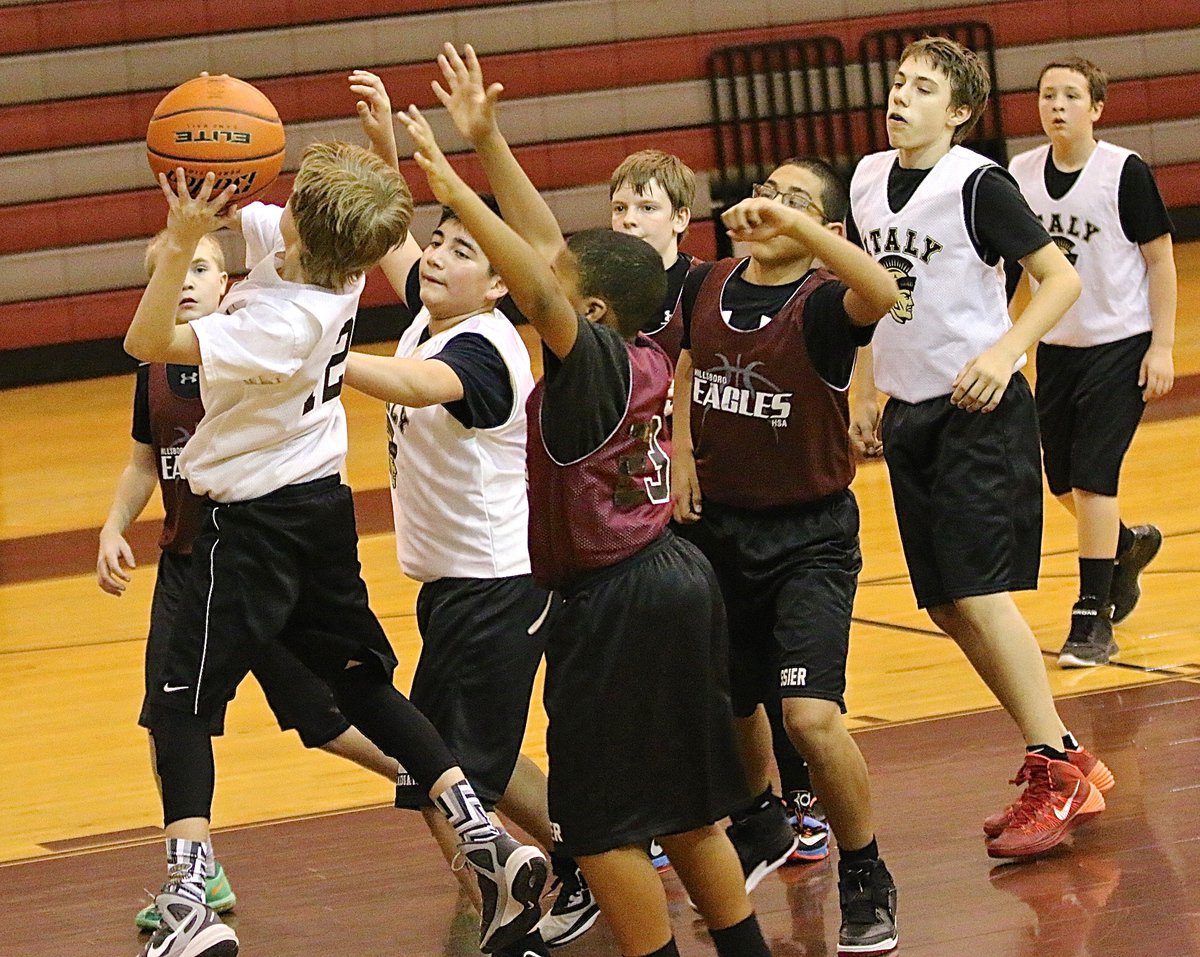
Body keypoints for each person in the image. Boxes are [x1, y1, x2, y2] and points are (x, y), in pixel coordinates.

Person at [122, 141, 546, 957]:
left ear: (304, 230)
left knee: (178, 702)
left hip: (246, 524)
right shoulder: (330, 261)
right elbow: (267, 222)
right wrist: (204, 195)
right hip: (319, 504)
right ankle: (483, 837)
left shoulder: (281, 326)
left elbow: (147, 341)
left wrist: (179, 243)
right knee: (360, 681)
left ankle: (187, 898)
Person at [400, 42, 774, 957]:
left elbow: (537, 272)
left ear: (589, 316)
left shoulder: (592, 357)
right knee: (689, 812)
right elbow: (559, 257)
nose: (544, 292)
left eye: (563, 299)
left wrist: (455, 190)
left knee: (601, 824)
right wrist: (490, 144)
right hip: (674, 579)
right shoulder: (643, 332)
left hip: (616, 599)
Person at [340, 69, 599, 956]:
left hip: (498, 588)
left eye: (459, 250)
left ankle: (507, 906)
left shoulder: (484, 351)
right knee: (460, 759)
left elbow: (419, 386)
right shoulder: (433, 314)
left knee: (445, 777)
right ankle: (588, 854)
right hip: (455, 587)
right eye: (440, 243)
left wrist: (325, 361)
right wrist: (382, 148)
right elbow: (392, 250)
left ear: (497, 285)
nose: (437, 257)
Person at [845, 36, 1112, 860]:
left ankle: (1055, 767)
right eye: (897, 83)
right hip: (910, 413)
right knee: (946, 603)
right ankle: (1064, 751)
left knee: (978, 589)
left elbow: (1059, 277)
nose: (900, 97)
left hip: (979, 410)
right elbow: (867, 290)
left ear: (958, 111)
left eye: (922, 88)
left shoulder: (977, 185)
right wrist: (862, 388)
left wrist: (1006, 351)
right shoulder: (863, 179)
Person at [97, 230, 401, 934]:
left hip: (255, 556)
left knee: (320, 719)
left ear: (230, 277)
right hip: (187, 563)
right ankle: (201, 869)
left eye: (199, 266)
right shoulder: (154, 371)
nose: (186, 281)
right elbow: (145, 461)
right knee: (169, 713)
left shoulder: (247, 348)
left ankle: (420, 770)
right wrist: (115, 524)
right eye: (170, 273)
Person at [670, 156, 901, 955]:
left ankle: (866, 870)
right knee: (732, 704)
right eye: (770, 192)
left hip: (810, 539)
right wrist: (681, 452)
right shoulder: (706, 285)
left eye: (798, 205)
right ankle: (762, 821)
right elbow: (685, 363)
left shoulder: (828, 305)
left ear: (826, 233)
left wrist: (801, 227)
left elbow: (884, 292)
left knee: (807, 715)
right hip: (718, 533)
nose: (774, 209)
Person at [609, 149, 830, 871]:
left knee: (766, 669)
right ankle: (718, 802)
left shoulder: (705, 281)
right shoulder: (611, 287)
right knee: (693, 660)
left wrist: (679, 451)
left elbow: (895, 302)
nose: (630, 219)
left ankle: (795, 793)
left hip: (754, 496)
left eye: (646, 207)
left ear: (681, 218)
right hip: (643, 487)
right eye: (620, 207)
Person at [1008, 56, 1175, 667]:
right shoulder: (1020, 174)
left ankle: (1091, 614)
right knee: (1060, 481)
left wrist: (1162, 345)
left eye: (1071, 96)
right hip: (1058, 349)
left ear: (1096, 108)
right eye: (1047, 94)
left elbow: (1160, 259)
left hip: (1122, 343)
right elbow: (1006, 267)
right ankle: (1126, 545)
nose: (1057, 106)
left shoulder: (1122, 171)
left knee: (1095, 475)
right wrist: (1006, 340)